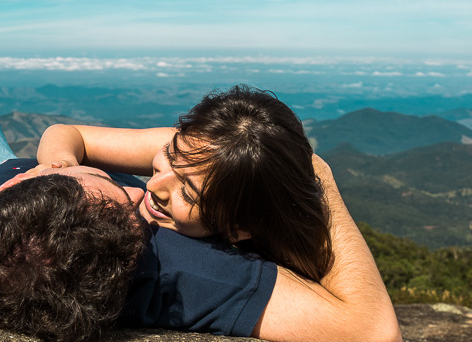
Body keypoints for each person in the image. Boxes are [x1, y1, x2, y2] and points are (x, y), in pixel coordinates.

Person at [0, 86, 401, 342]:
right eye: (118, 189)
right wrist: (318, 175)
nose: (147, 188)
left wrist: (57, 168)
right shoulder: (178, 264)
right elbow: (375, 330)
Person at [28, 84, 332, 281]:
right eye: (169, 158)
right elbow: (67, 133)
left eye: (188, 192)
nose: (152, 187)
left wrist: (321, 174)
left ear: (239, 228)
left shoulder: (227, 274)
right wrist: (61, 167)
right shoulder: (199, 156)